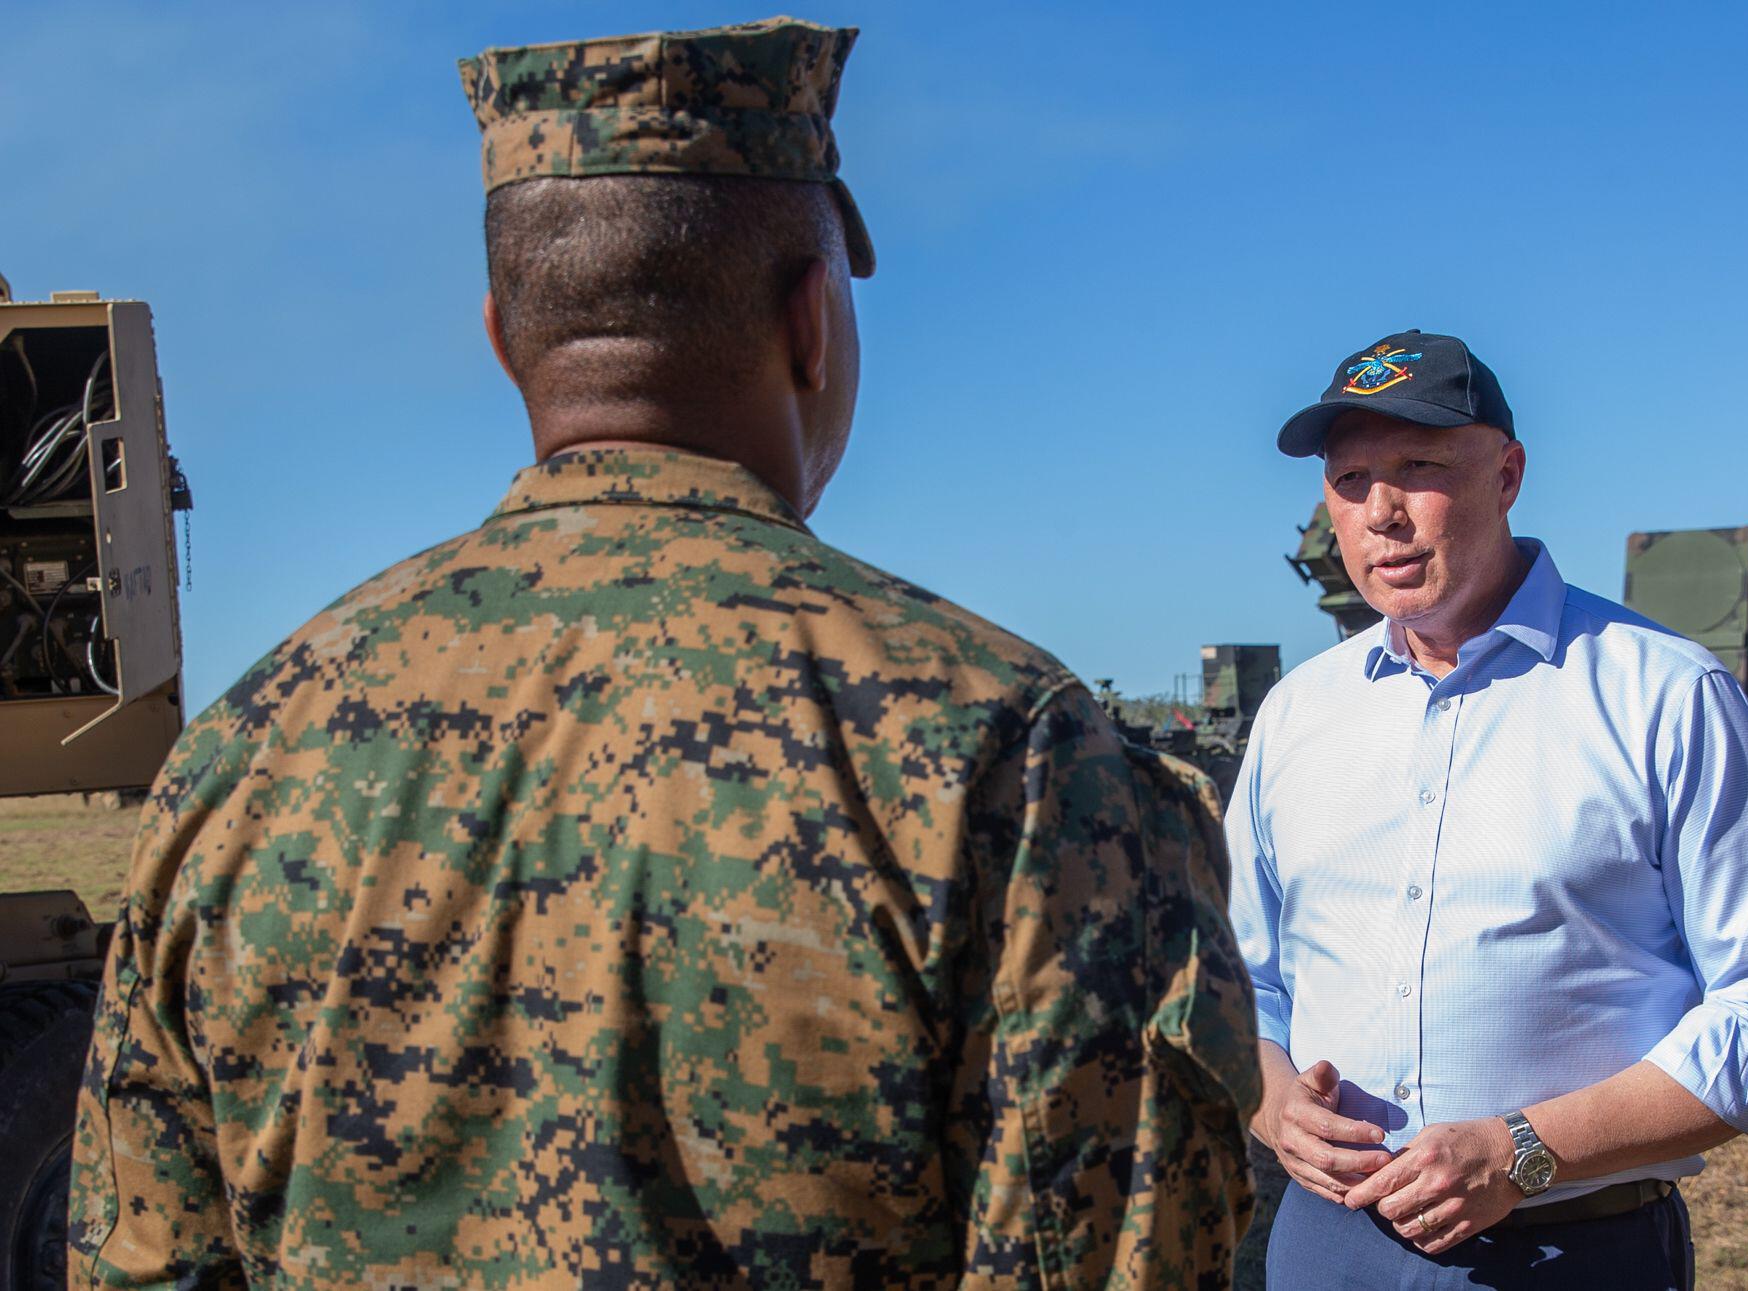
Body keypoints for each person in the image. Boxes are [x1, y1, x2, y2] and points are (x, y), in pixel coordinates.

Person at [67, 20, 1258, 1286]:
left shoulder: (243, 757)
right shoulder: (1009, 757)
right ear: (810, 321)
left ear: (502, 335)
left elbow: (141, 1258)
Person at [1230, 329, 1748, 1289]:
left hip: (1569, 1251)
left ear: (1507, 473)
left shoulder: (1664, 694)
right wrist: (1269, 1097)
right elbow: (1243, 978)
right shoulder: (1298, 714)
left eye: (1419, 467)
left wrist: (1522, 1150)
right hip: (1327, 1246)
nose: (1381, 512)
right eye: (1350, 480)